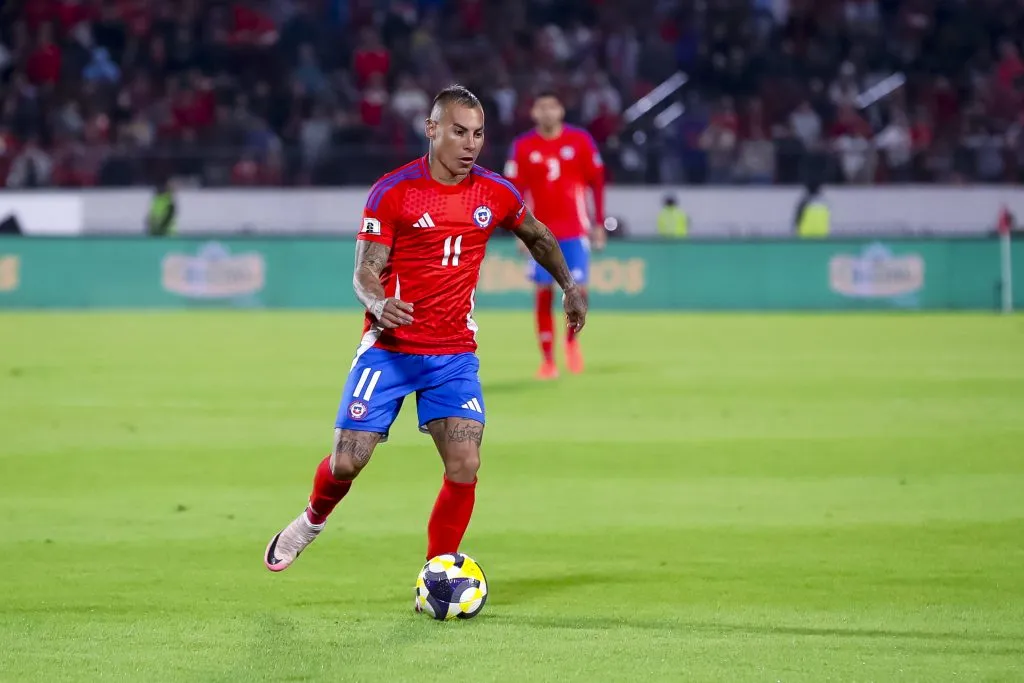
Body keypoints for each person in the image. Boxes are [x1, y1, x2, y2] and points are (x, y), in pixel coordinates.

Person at [264, 85, 586, 578]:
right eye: (459, 131)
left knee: (465, 462)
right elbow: (365, 270)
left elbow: (538, 235)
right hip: (389, 351)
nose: (471, 143)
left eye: (478, 133)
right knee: (348, 463)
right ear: (432, 129)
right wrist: (378, 302)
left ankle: (438, 573)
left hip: (453, 354)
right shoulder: (393, 191)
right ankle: (311, 520)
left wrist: (568, 284)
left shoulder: (495, 192)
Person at [504, 91, 606, 379]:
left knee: (578, 290)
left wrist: (599, 222)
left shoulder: (580, 141)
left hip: (575, 231)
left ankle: (572, 343)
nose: (547, 112)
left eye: (552, 106)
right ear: (534, 113)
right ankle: (548, 360)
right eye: (541, 106)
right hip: (539, 234)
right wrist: (518, 231)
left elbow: (597, 183)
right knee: (542, 293)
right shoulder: (523, 146)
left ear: (561, 110)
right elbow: (514, 194)